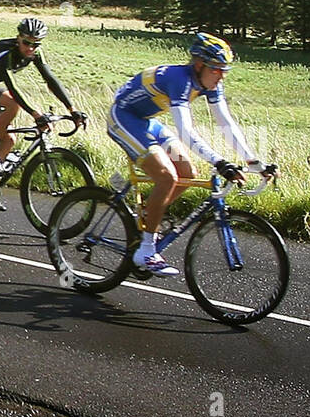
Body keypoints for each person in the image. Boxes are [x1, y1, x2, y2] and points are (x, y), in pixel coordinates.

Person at [108, 32, 263, 276]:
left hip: (146, 121)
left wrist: (253, 161)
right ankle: (146, 250)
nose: (221, 76)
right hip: (124, 118)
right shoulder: (179, 80)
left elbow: (226, 123)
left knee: (187, 173)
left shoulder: (209, 82)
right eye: (216, 69)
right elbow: (186, 132)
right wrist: (219, 161)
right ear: (200, 65)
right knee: (167, 177)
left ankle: (149, 215)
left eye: (225, 70)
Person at [0, 16, 88, 183]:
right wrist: (36, 114)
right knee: (12, 104)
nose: (30, 48)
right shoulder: (4, 53)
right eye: (26, 43)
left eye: (36, 44)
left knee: (10, 140)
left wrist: (72, 109)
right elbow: (12, 87)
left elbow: (50, 79)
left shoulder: (35, 53)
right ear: (18, 37)